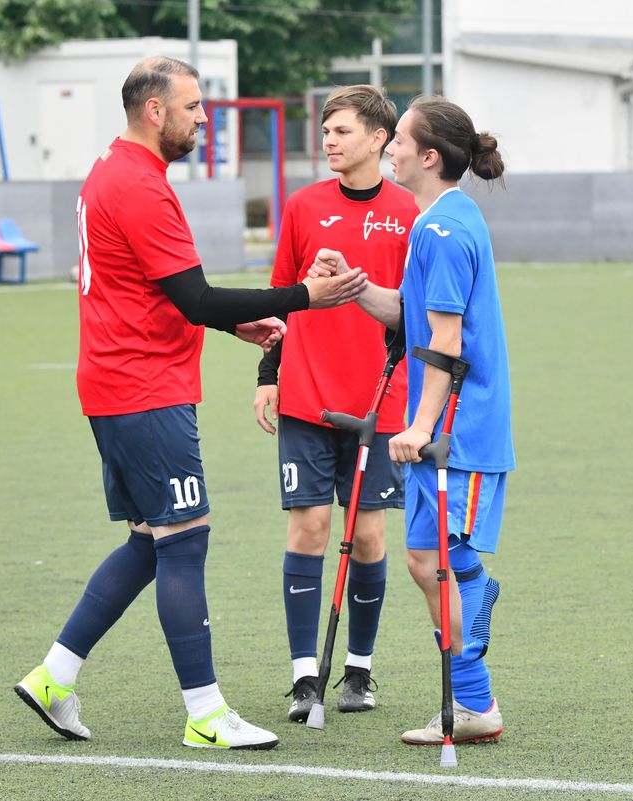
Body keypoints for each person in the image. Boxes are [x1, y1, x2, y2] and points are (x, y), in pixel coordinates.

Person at [12, 56, 367, 751]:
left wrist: (240, 323)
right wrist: (305, 297)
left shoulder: (112, 172)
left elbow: (165, 293)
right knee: (184, 539)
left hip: (117, 384)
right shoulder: (139, 185)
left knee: (151, 541)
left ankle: (54, 676)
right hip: (144, 390)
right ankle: (205, 713)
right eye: (195, 106)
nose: (204, 119)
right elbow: (196, 295)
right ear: (155, 110)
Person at [311, 96, 515, 746]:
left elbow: (445, 342)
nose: (389, 147)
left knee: (443, 559)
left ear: (428, 156)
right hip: (441, 426)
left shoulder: (444, 229)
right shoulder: (438, 221)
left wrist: (421, 424)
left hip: (463, 428)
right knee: (423, 560)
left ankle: (476, 681)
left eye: (398, 139)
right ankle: (475, 694)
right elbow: (413, 314)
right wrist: (353, 285)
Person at [252, 85, 418, 722]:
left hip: (380, 401)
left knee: (370, 533)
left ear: (379, 139)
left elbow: (415, 314)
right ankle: (303, 676)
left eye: (342, 131)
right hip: (306, 395)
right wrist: (270, 372)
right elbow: (278, 300)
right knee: (309, 527)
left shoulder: (409, 211)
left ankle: (359, 669)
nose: (329, 141)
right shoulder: (302, 207)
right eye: (326, 130)